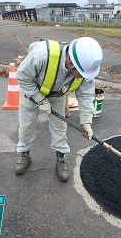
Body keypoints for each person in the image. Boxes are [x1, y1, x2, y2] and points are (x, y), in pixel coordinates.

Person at [15, 37, 103, 182]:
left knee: (59, 127)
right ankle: (24, 155)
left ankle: (60, 160)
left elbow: (86, 95)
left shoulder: (84, 69)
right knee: (26, 125)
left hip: (57, 94)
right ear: (70, 63)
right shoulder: (42, 56)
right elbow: (22, 76)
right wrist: (40, 99)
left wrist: (86, 122)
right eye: (81, 73)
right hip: (31, 92)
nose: (83, 77)